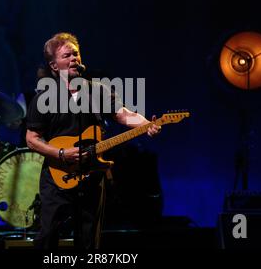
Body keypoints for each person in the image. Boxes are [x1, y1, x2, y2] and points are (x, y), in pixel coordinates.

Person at [25, 32, 161, 249]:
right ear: (53, 65)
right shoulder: (43, 97)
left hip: (91, 174)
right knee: (48, 235)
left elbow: (123, 114)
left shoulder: (97, 90)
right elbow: (32, 139)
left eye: (76, 54)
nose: (73, 59)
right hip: (57, 176)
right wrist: (61, 153)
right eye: (66, 55)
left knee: (89, 240)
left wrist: (147, 124)